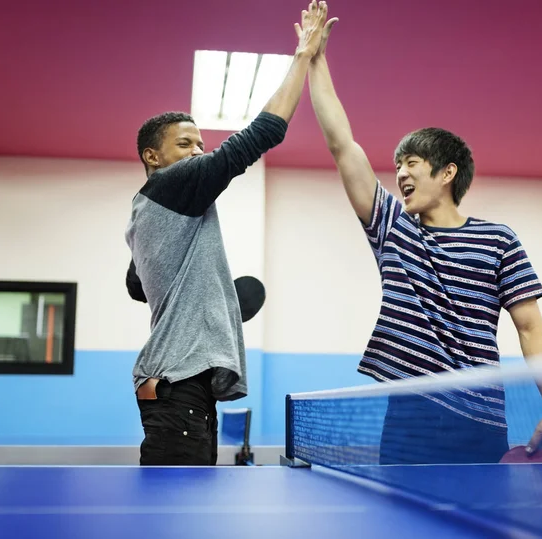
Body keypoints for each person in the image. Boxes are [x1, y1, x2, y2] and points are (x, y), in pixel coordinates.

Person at [304, 17, 542, 464]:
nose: (400, 173)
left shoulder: (499, 239)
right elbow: (343, 145)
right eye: (397, 166)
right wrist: (315, 60)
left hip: (480, 420)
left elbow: (530, 327)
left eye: (411, 163)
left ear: (447, 173)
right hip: (410, 417)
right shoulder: (394, 229)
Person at [124, 0, 329, 466]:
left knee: (187, 506)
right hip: (178, 385)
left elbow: (137, 286)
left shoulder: (143, 216)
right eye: (184, 144)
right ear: (153, 158)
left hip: (178, 383)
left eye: (201, 142)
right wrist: (303, 56)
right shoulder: (172, 185)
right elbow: (263, 134)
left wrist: (210, 304)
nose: (199, 150)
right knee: (177, 510)